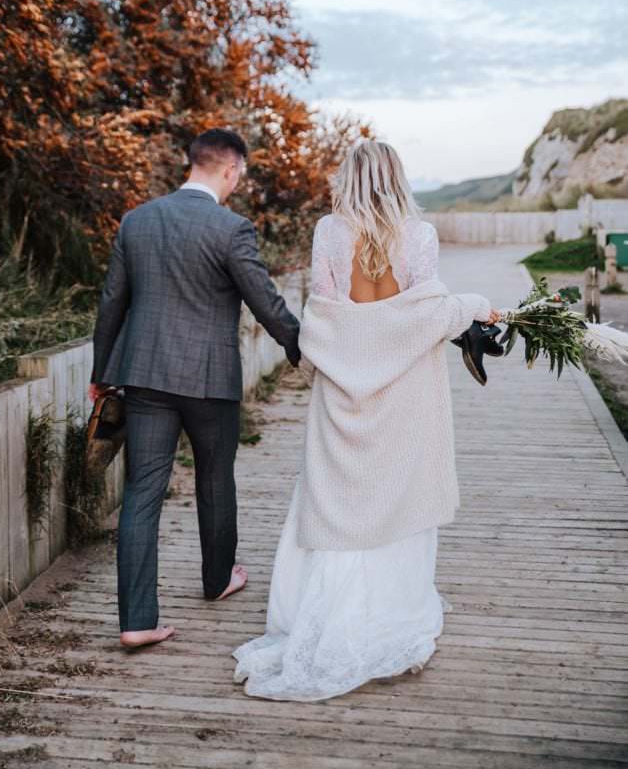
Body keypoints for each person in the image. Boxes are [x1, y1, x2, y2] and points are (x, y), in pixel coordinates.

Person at [232, 139, 500, 701]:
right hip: (405, 395)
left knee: (337, 499)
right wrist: (473, 303)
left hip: (341, 396)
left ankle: (328, 614)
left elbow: (326, 316)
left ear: (347, 177)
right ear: (396, 177)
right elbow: (424, 312)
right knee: (398, 494)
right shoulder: (418, 236)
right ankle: (389, 612)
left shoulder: (329, 232)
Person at [89, 128, 301, 649]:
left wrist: (101, 374)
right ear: (230, 170)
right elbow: (264, 300)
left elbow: (112, 302)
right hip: (209, 380)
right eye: (239, 177)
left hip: (143, 376)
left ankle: (137, 621)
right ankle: (218, 578)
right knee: (214, 477)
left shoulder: (137, 222)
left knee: (141, 493)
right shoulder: (231, 229)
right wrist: (303, 347)